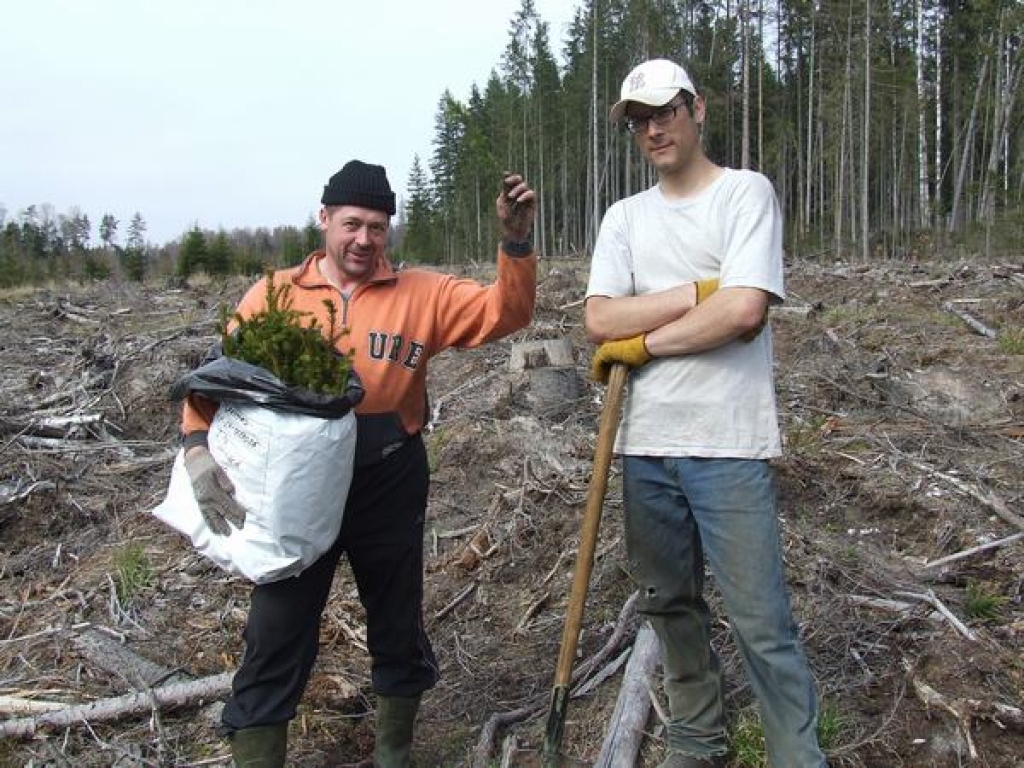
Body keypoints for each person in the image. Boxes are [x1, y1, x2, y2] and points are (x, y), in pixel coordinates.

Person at [180, 159, 537, 767]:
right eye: (351, 224)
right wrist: (194, 449)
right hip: (295, 489)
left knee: (397, 627)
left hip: (387, 478)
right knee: (274, 635)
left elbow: (508, 312)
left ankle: (393, 754)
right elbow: (218, 382)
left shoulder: (423, 294)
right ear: (324, 219)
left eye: (377, 227)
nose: (363, 240)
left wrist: (516, 241)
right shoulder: (274, 296)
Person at [585, 59, 827, 768]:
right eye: (638, 119)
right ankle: (697, 738)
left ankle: (796, 755)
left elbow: (746, 309)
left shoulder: (744, 195)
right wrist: (698, 292)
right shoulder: (624, 218)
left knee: (761, 619)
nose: (652, 129)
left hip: (728, 442)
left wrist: (645, 341)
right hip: (644, 445)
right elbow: (600, 317)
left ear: (697, 110)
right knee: (669, 604)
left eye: (664, 112)